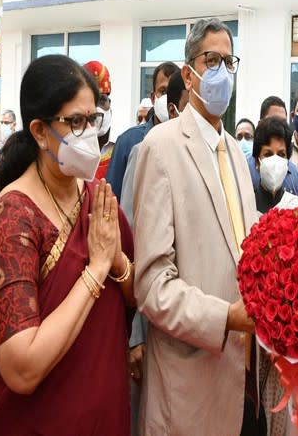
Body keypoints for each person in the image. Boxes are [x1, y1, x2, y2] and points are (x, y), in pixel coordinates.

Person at [0, 54, 135, 435]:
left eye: (92, 119)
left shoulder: (99, 199)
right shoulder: (14, 214)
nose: (88, 133)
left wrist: (117, 262)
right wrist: (95, 270)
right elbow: (21, 368)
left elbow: (134, 297)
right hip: (35, 421)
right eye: (74, 122)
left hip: (103, 413)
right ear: (41, 132)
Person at [133, 18, 264, 435]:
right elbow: (153, 285)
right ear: (188, 74)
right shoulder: (161, 147)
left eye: (229, 61)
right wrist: (226, 317)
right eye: (212, 60)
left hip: (242, 375)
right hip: (188, 382)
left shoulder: (236, 156)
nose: (222, 71)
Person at [119, 67, 188, 436]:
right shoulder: (146, 151)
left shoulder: (215, 159)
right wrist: (135, 337)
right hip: (148, 327)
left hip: (188, 336)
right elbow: (130, 246)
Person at [106, 61, 181, 198]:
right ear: (153, 98)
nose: (168, 98)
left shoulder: (188, 142)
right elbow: (112, 197)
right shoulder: (128, 142)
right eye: (163, 91)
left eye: (172, 92)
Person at [248, 116, 298, 214]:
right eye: (268, 154)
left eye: (281, 154)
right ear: (257, 162)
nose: (275, 160)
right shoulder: (246, 208)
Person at [83, 60, 114, 179]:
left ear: (109, 104)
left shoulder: (122, 148)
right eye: (90, 101)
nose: (96, 110)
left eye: (101, 100)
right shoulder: (70, 150)